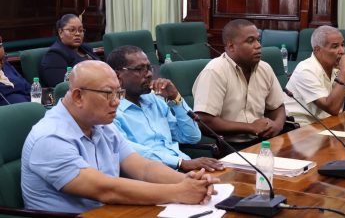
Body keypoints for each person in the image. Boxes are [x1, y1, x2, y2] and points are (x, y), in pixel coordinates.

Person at [21, 60, 218, 213]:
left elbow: (143, 168)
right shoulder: (50, 137)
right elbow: (105, 190)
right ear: (78, 96)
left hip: (112, 212)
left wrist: (190, 182)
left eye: (119, 93)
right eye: (108, 94)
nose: (116, 102)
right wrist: (179, 192)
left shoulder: (101, 124)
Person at [106, 46, 223, 172]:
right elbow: (129, 151)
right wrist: (180, 163)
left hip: (185, 170)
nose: (150, 74)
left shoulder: (154, 100)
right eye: (140, 69)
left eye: (149, 68)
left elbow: (192, 137)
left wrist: (176, 99)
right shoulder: (110, 110)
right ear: (118, 76)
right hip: (151, 178)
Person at [192, 19, 286, 151]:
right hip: (230, 145)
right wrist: (251, 128)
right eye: (250, 41)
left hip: (263, 141)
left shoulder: (265, 68)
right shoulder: (214, 71)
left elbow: (278, 106)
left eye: (258, 40)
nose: (258, 45)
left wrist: (277, 125)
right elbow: (205, 121)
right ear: (231, 47)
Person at [285, 25, 345, 126]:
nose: (342, 51)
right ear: (317, 50)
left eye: (342, 45)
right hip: (301, 129)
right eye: (335, 46)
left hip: (329, 125)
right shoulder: (306, 70)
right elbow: (332, 108)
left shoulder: (339, 68)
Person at [39, 13, 99, 87]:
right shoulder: (54, 55)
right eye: (72, 30)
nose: (77, 34)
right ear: (60, 32)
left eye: (80, 30)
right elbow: (62, 88)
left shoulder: (86, 48)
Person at [0, 36, 31, 105]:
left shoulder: (6, 65)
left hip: (30, 106)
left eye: (3, 58)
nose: (2, 63)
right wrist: (17, 88)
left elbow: (27, 87)